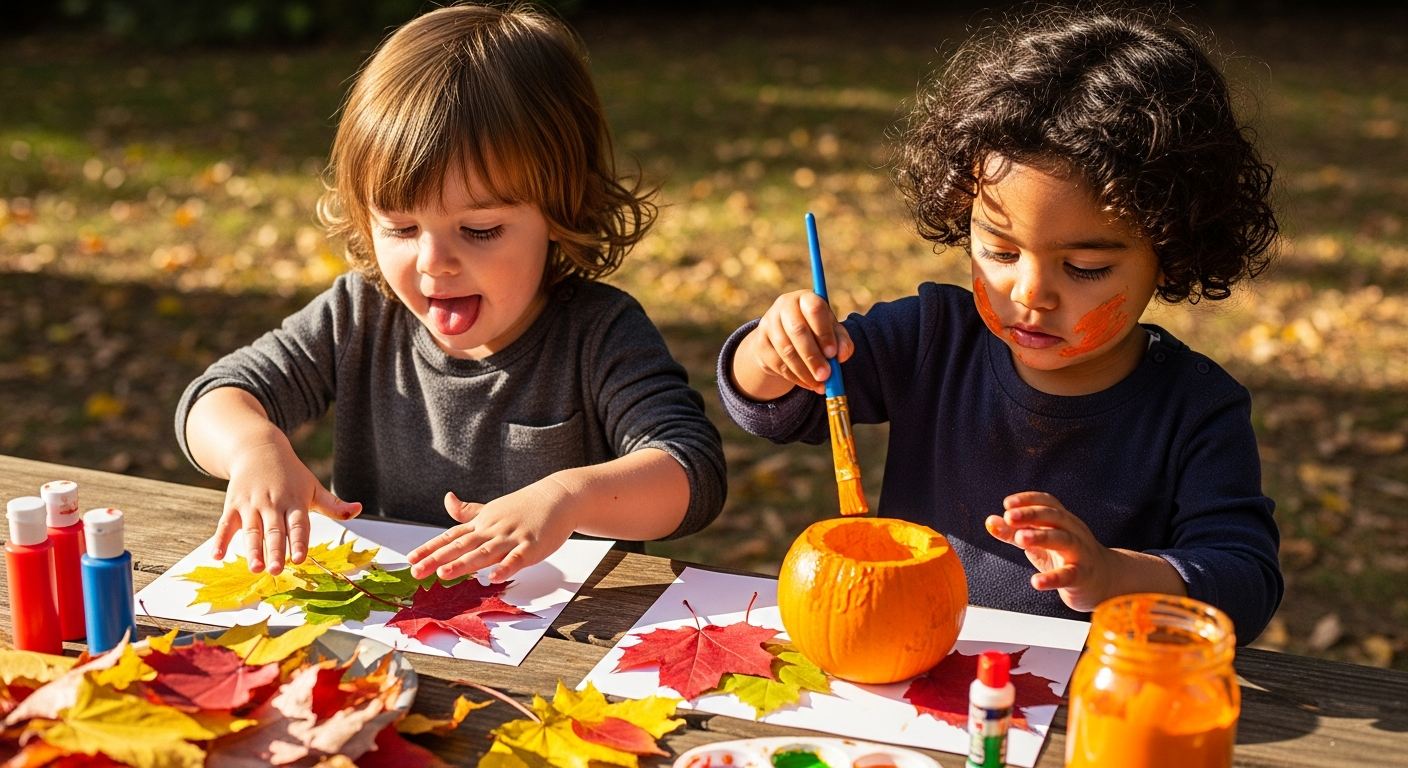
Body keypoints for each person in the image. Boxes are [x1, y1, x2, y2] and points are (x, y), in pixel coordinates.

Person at [719, 9, 1282, 642]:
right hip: (914, 664)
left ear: (1174, 251)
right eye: (1001, 252)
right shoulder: (933, 338)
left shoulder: (1196, 409)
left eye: (1085, 267)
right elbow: (779, 408)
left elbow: (1244, 580)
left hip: (1082, 701)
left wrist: (1110, 574)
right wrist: (771, 351)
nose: (1031, 293)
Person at [177, 4, 725, 585]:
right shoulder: (362, 315)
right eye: (402, 229)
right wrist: (253, 449)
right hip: (385, 623)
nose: (435, 261)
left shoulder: (599, 333)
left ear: (561, 212)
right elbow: (215, 396)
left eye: (480, 230)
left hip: (561, 640)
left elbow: (692, 471)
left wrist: (569, 497)